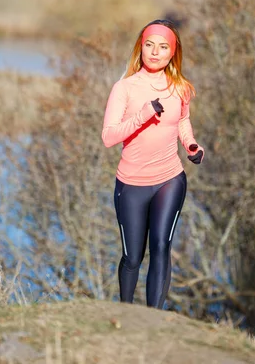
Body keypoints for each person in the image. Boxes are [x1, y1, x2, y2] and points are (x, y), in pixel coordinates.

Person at [101, 19, 204, 309]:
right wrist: (144, 114)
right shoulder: (124, 88)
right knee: (133, 257)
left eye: (162, 47)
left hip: (169, 180)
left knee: (161, 247)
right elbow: (109, 137)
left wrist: (191, 144)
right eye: (149, 45)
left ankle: (153, 321)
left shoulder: (180, 88)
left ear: (173, 53)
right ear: (141, 47)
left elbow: (182, 121)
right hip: (131, 185)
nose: (155, 52)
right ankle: (125, 314)